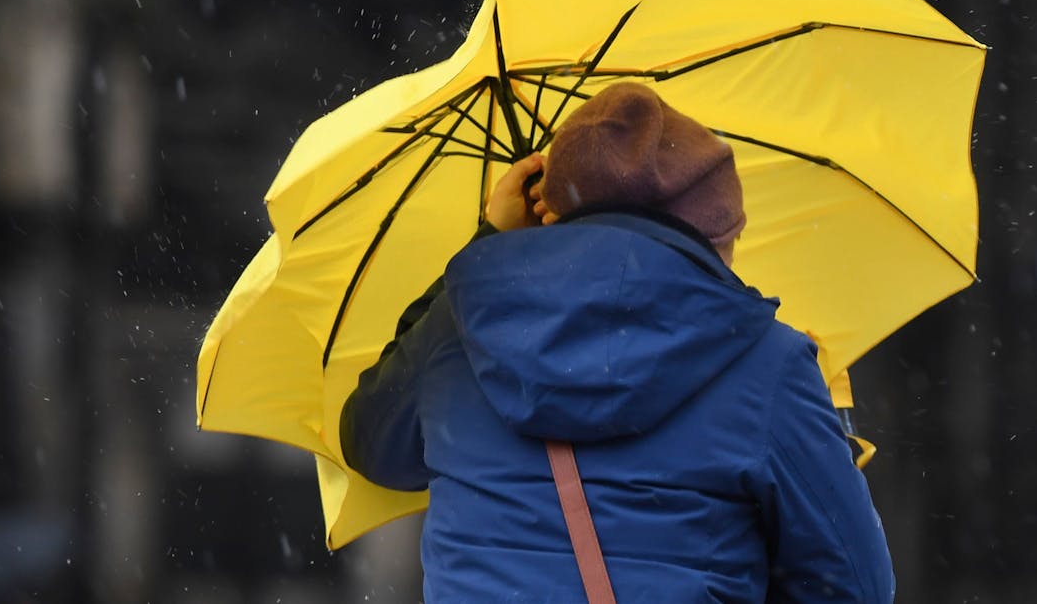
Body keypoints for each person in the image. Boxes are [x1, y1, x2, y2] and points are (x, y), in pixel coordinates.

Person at [341, 82, 893, 603]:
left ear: (548, 212)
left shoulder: (461, 329)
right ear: (714, 234)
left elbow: (373, 443)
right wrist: (826, 448)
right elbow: (853, 586)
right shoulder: (767, 362)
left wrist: (485, 246)